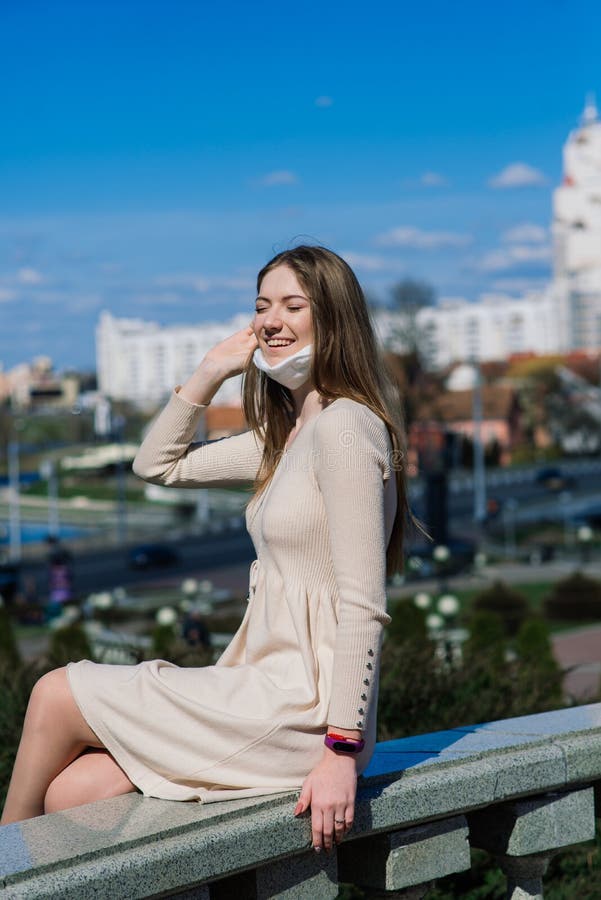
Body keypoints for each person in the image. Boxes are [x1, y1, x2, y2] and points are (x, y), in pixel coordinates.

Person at [1, 245, 406, 855]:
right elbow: (154, 465)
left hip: (305, 712)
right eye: (262, 306)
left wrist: (341, 752)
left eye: (294, 305)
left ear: (334, 321)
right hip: (257, 686)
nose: (271, 320)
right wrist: (211, 370)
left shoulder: (346, 428)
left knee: (57, 692)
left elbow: (363, 602)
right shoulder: (287, 436)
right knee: (74, 794)